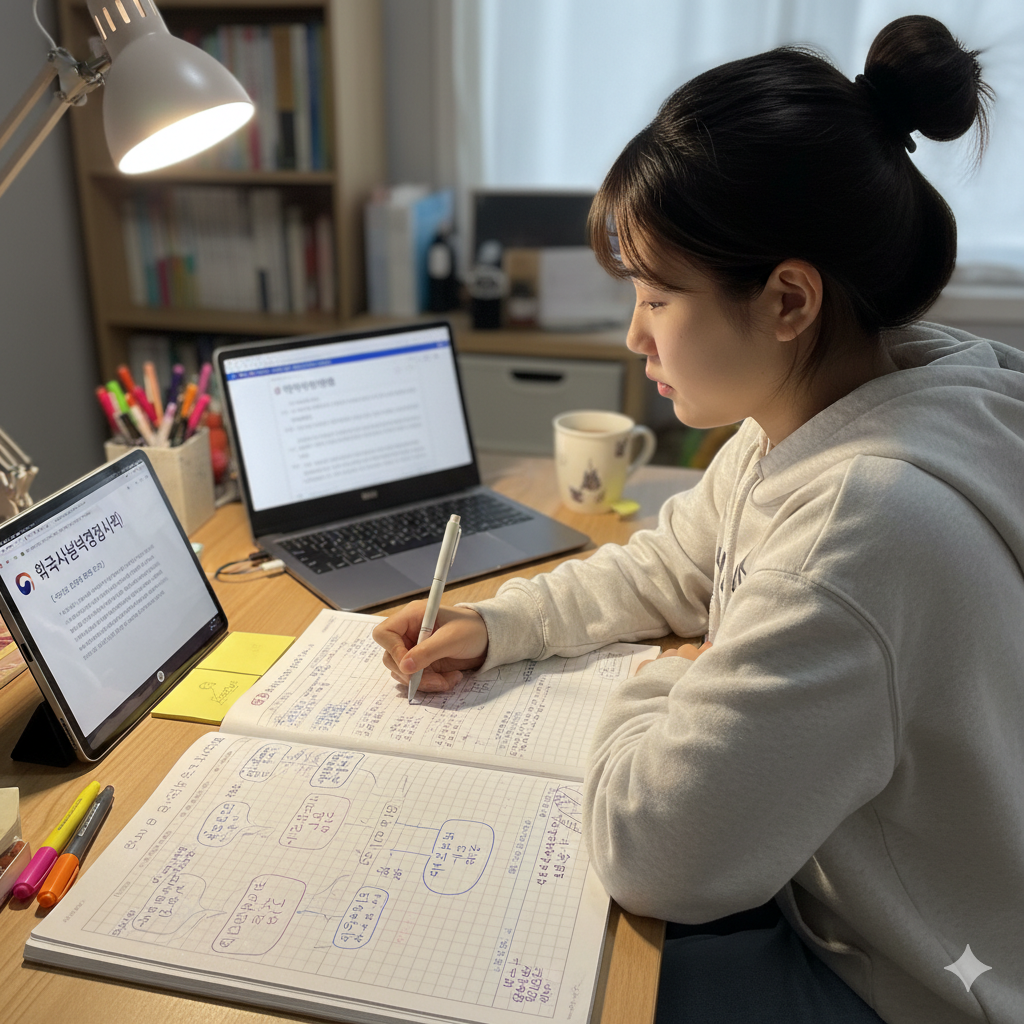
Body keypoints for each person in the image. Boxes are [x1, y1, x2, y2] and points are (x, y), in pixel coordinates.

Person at [373, 15, 1024, 1023]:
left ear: (788, 301)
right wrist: (503, 624)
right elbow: (671, 566)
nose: (634, 335)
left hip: (909, 983)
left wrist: (666, 681)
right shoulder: (839, 408)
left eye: (656, 295)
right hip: (852, 892)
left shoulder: (860, 531)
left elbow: (654, 851)